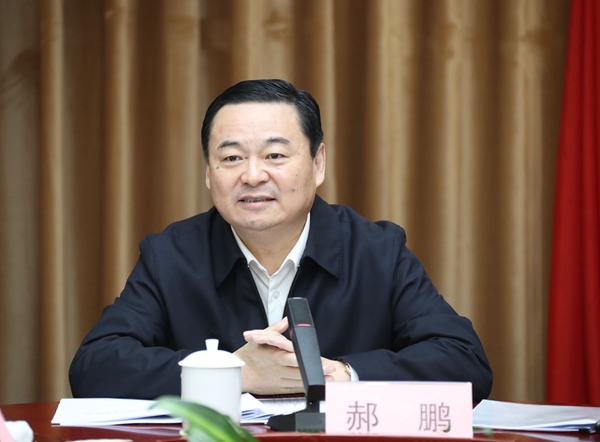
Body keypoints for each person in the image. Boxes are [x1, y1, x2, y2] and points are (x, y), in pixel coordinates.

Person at [69, 79, 493, 401]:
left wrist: (341, 376)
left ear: (317, 163)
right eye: (231, 157)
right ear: (208, 173)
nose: (253, 175)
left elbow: (464, 362)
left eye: (275, 155)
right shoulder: (171, 255)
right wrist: (235, 372)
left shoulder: (376, 251)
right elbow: (94, 367)